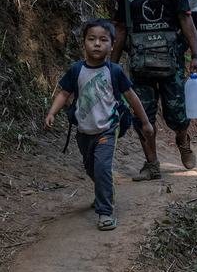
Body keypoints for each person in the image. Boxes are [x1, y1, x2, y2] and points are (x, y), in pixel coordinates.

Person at [111, 0, 197, 181]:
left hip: (171, 60)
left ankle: (183, 140)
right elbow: (120, 28)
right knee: (142, 115)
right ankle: (152, 164)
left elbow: (185, 19)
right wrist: (110, 67)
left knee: (177, 114)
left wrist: (196, 55)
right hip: (139, 64)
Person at [44, 19, 155, 230]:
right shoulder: (76, 70)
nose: (97, 44)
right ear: (84, 43)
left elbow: (131, 97)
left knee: (103, 167)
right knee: (91, 168)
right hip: (84, 131)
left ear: (112, 45)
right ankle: (104, 190)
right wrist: (52, 112)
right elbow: (64, 93)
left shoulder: (114, 71)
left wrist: (146, 122)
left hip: (107, 129)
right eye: (91, 39)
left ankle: (105, 212)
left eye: (103, 40)